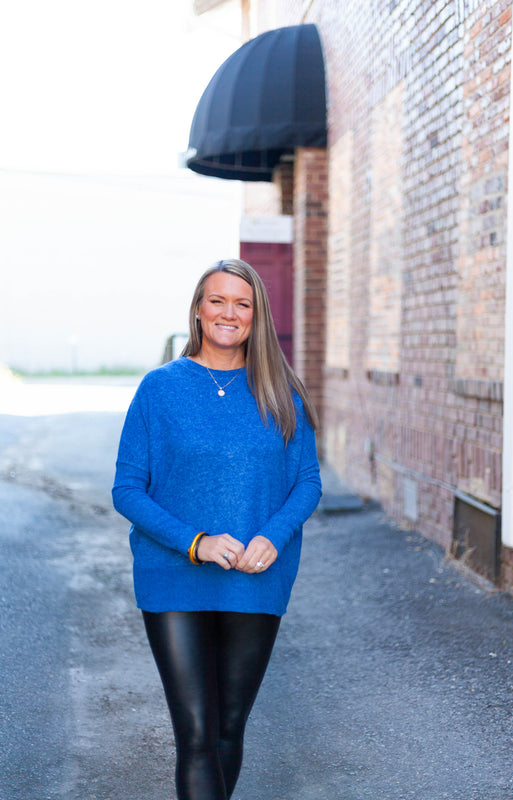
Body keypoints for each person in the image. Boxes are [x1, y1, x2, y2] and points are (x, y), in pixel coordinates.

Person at [112, 258, 321, 800]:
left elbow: (307, 483)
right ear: (199, 311)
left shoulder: (279, 390)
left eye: (242, 303)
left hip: (255, 578)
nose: (229, 312)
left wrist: (272, 537)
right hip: (173, 578)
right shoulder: (160, 390)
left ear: (256, 316)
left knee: (229, 727)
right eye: (217, 300)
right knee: (197, 734)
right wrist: (197, 542)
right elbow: (127, 490)